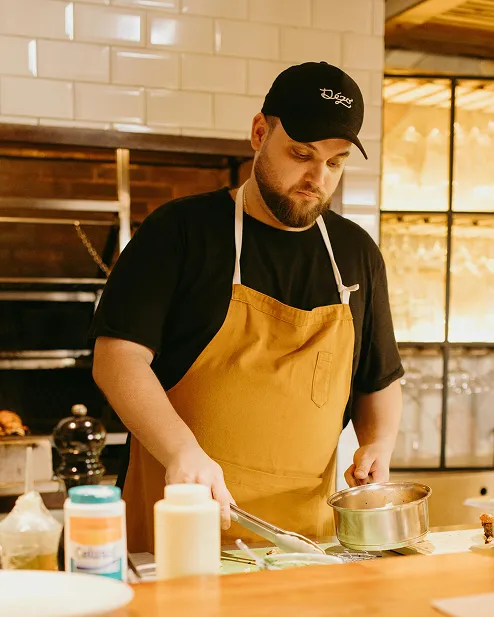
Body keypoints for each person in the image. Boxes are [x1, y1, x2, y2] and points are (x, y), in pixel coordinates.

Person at [90, 61, 404, 553]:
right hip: (182, 522)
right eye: (301, 153)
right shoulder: (180, 231)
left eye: (336, 162)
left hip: (303, 543)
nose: (317, 177)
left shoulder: (357, 253)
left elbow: (379, 379)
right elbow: (117, 358)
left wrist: (378, 443)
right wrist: (181, 450)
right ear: (260, 132)